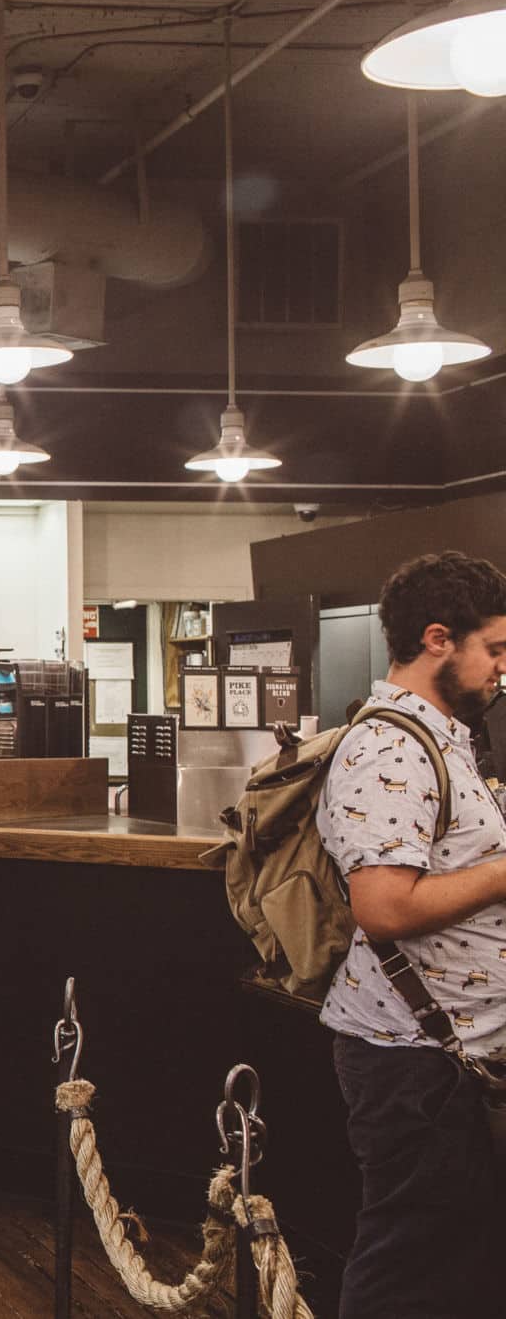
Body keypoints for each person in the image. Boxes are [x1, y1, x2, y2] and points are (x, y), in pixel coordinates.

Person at [316, 550, 506, 1317]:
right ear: (438, 639)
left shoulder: (446, 736)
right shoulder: (391, 745)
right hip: (413, 1066)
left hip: (444, 1058)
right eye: (492, 648)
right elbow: (385, 907)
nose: (502, 666)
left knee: (453, 1259)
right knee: (407, 1264)